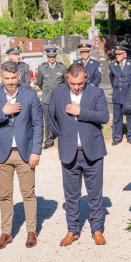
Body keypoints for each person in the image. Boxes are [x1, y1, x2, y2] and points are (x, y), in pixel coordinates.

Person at [0, 61, 43, 249]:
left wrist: (36, 151)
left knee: (28, 193)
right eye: (6, 78)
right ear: (1, 77)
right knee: (5, 195)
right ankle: (6, 233)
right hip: (1, 153)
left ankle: (31, 231)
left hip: (25, 153)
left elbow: (38, 125)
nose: (10, 82)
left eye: (13, 78)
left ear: (18, 76)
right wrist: (3, 112)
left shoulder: (30, 95)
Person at [49, 63, 110, 246]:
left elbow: (104, 117)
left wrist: (81, 112)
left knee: (95, 193)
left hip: (92, 151)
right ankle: (72, 230)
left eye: (80, 83)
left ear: (85, 79)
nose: (76, 87)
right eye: (73, 83)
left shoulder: (96, 93)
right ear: (67, 78)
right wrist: (65, 135)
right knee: (71, 194)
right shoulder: (58, 94)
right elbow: (52, 119)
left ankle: (97, 229)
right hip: (69, 151)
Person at [34, 46, 67, 149]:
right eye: (49, 56)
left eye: (53, 56)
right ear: (47, 56)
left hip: (59, 98)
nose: (52, 58)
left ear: (56, 56)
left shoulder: (62, 67)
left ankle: (63, 137)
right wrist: (47, 89)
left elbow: (65, 83)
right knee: (47, 120)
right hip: (47, 98)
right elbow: (39, 82)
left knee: (61, 118)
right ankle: (49, 140)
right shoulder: (42, 68)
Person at [108, 45, 131, 145]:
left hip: (128, 94)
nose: (117, 56)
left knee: (130, 117)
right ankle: (117, 137)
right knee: (117, 118)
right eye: (116, 54)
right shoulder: (112, 65)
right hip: (118, 94)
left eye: (119, 54)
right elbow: (112, 79)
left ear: (124, 55)